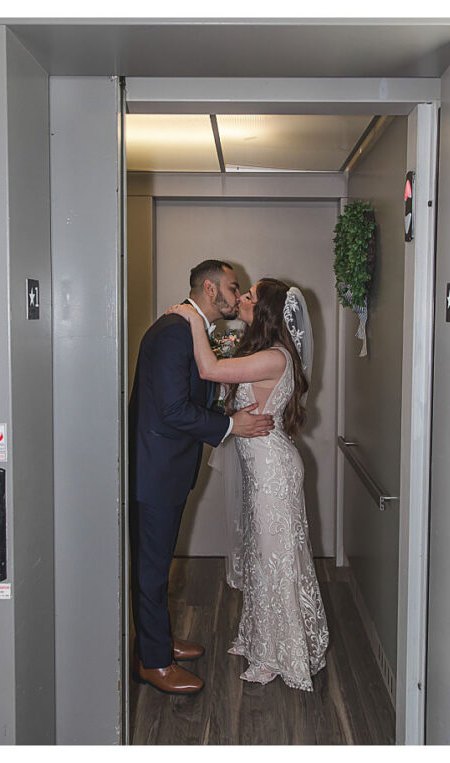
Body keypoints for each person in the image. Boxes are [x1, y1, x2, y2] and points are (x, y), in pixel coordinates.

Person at [170, 277, 329, 691]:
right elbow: (223, 385)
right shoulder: (262, 354)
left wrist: (191, 318)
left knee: (275, 559)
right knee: (263, 557)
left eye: (250, 296)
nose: (241, 298)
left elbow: (209, 368)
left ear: (265, 312)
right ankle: (262, 636)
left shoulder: (275, 358)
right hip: (264, 472)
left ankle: (280, 653)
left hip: (273, 474)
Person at [129, 260, 275, 695]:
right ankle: (152, 662)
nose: (238, 294)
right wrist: (231, 427)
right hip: (156, 469)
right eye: (233, 287)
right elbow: (173, 409)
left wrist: (225, 416)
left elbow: (188, 396)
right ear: (210, 290)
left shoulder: (186, 327)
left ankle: (158, 641)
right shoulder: (176, 329)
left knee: (158, 564)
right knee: (152, 568)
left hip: (165, 466)